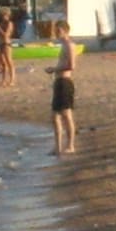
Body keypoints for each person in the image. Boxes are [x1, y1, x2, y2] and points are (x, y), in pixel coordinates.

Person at [44, 21, 76, 156]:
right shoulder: (63, 45)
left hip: (65, 82)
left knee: (66, 115)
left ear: (64, 30)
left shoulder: (69, 45)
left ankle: (70, 145)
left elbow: (72, 66)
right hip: (59, 82)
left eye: (58, 31)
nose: (56, 33)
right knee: (54, 116)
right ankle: (57, 147)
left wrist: (54, 69)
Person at [0, 8, 16, 87]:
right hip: (0, 43)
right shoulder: (1, 23)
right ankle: (3, 80)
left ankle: (12, 80)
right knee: (3, 63)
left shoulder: (10, 23)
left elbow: (6, 35)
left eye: (4, 15)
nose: (3, 17)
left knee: (9, 61)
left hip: (6, 43)